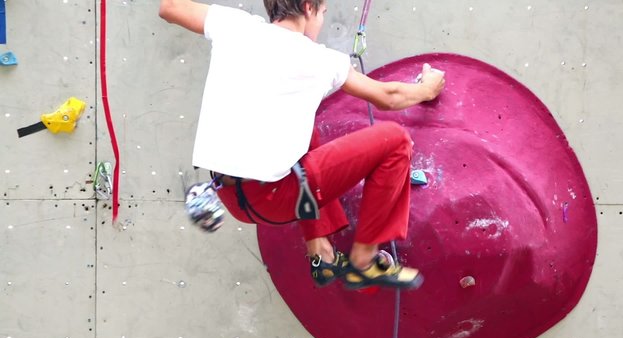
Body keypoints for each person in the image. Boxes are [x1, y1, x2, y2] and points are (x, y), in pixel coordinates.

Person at [159, 0, 445, 290]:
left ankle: (321, 253)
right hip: (277, 198)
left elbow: (169, 7)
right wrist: (426, 88)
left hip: (228, 196)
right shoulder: (318, 59)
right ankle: (364, 262)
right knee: (394, 141)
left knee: (303, 129)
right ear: (309, 8)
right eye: (322, 13)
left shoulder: (232, 25)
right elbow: (389, 96)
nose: (321, 22)